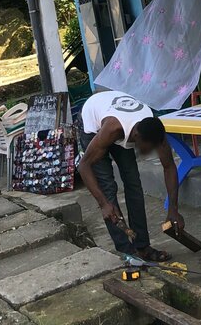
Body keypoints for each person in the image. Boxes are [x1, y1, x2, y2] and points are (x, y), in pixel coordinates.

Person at [78, 89, 184, 262]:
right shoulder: (113, 129)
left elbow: (169, 166)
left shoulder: (154, 130)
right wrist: (103, 203)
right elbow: (84, 166)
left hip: (118, 115)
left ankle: (142, 247)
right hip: (93, 121)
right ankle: (127, 252)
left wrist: (173, 209)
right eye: (147, 148)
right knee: (108, 189)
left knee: (133, 183)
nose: (149, 153)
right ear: (136, 137)